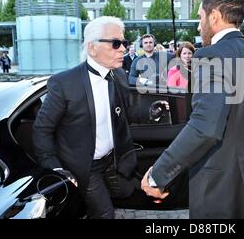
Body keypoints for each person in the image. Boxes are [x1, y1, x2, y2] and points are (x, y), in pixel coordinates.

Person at [141, 0, 244, 218]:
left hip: (225, 188)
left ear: (215, 16)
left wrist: (158, 174)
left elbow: (205, 127)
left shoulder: (210, 55)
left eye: (200, 17)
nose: (199, 26)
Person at [32, 16, 169, 219]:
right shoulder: (64, 83)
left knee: (126, 192)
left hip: (113, 159)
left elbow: (125, 112)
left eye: (124, 43)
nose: (123, 49)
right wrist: (55, 167)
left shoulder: (119, 75)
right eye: (115, 43)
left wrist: (149, 113)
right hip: (84, 166)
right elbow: (42, 129)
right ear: (92, 48)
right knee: (105, 213)